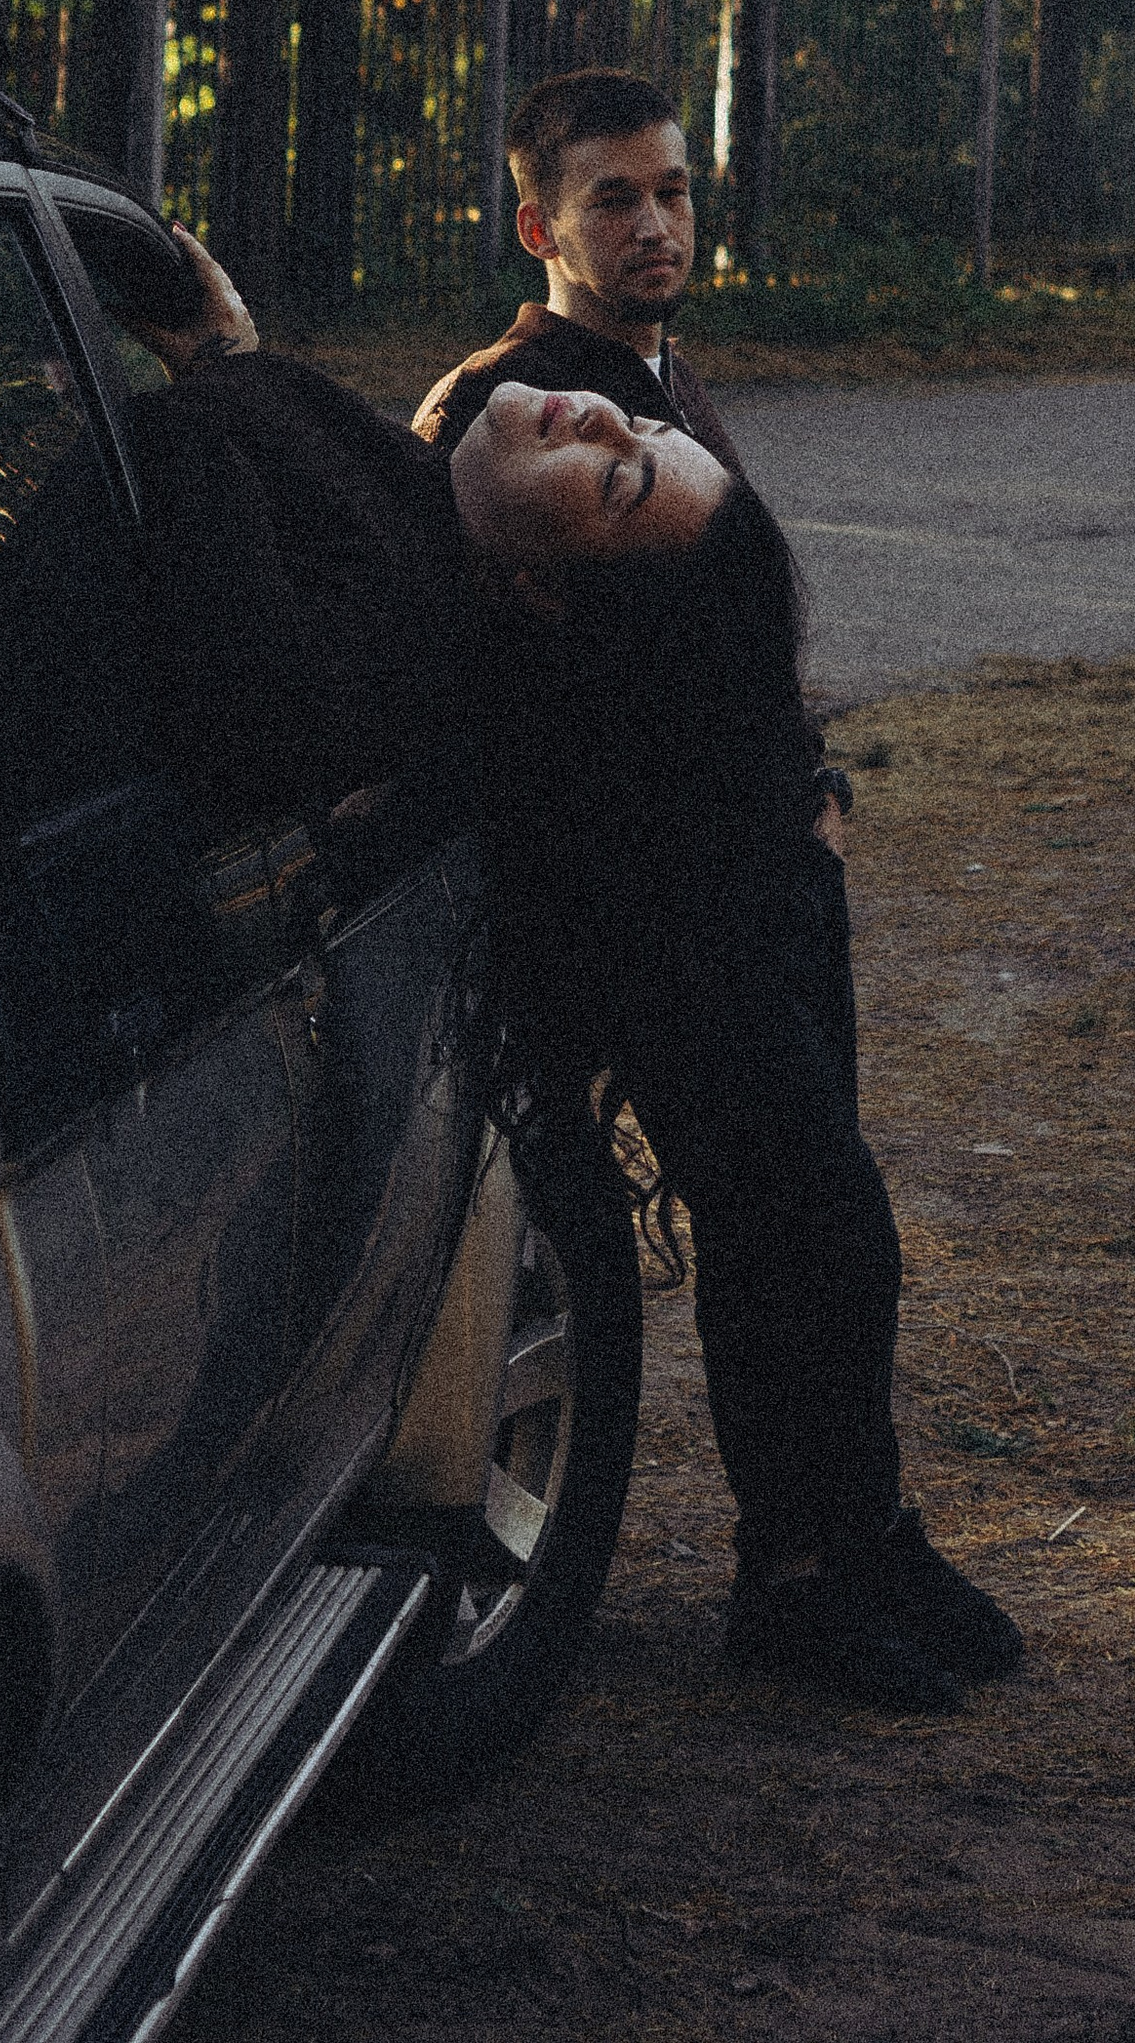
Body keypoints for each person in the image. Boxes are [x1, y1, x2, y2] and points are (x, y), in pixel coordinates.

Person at [111, 233, 1021, 1714]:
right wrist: (222, 368)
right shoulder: (414, 565)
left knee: (835, 1221)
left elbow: (271, 446)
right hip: (642, 896)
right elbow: (262, 609)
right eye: (625, 462)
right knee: (805, 1211)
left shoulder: (435, 538)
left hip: (688, 867)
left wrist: (806, 791)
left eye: (627, 461)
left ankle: (853, 1539)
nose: (600, 418)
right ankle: (810, 1569)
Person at [414, 68, 741, 472]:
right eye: (614, 201)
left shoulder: (674, 375)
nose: (655, 229)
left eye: (671, 193)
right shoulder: (490, 405)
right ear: (538, 231)